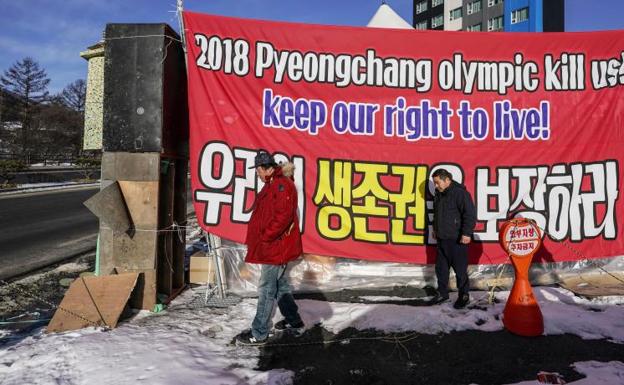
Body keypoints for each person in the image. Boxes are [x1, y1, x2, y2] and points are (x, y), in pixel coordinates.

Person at [236, 151, 305, 345]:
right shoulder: (275, 183)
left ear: (264, 168)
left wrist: (265, 236)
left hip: (275, 247)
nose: (257, 174)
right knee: (281, 285)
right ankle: (294, 320)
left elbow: (283, 216)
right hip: (275, 246)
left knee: (267, 288)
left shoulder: (280, 185)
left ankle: (259, 333)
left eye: (257, 171)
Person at [429, 168, 476, 309]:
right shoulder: (439, 193)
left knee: (460, 270)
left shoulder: (460, 193)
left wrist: (466, 233)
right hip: (442, 238)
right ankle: (442, 293)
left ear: (447, 180)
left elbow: (470, 214)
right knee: (441, 269)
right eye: (434, 183)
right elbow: (438, 214)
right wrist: (435, 229)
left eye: (437, 183)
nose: (436, 186)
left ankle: (464, 295)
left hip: (456, 239)